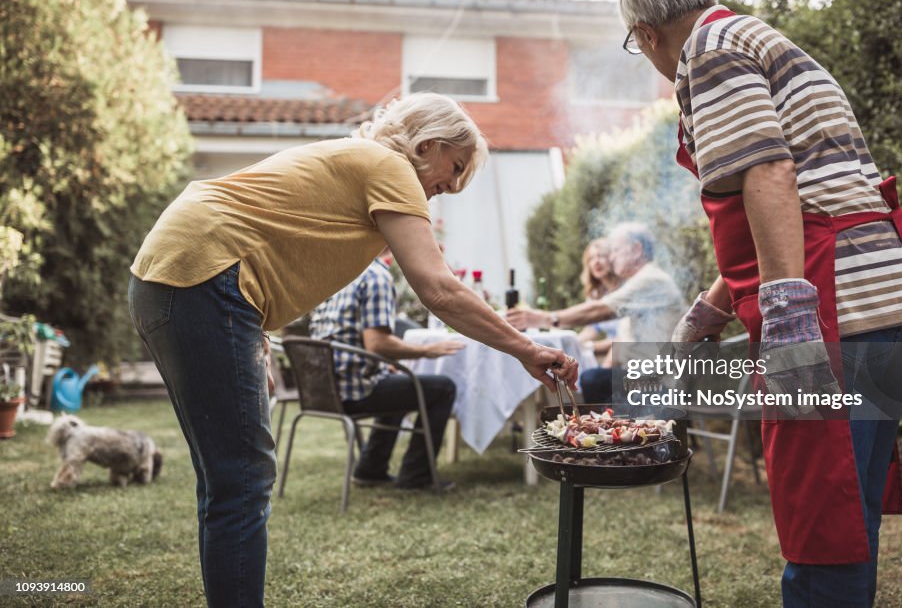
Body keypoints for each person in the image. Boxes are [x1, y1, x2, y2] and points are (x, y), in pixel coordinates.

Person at [127, 93, 579, 607]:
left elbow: (265, 225)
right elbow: (438, 288)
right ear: (427, 144)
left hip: (168, 278)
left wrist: (255, 336)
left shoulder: (354, 161)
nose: (447, 189)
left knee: (227, 477)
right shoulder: (390, 167)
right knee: (242, 480)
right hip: (200, 277)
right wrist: (524, 348)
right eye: (452, 169)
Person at [618, 0, 902, 607]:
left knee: (825, 524)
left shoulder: (707, 49)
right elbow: (802, 186)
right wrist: (712, 307)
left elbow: (770, 176)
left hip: (833, 311)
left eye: (636, 43)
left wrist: (790, 324)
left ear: (647, 33)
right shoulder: (759, 38)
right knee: (851, 517)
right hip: (879, 299)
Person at [308, 253, 462, 490]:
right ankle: (416, 475)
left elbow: (339, 338)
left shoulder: (337, 276)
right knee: (442, 388)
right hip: (355, 392)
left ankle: (370, 469)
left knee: (397, 383)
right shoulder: (375, 276)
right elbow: (377, 344)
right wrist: (427, 350)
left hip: (325, 391)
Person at [507, 222, 682, 404]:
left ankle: (609, 429)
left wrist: (544, 318)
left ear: (637, 250)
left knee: (591, 380)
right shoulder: (641, 281)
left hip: (662, 380)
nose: (611, 259)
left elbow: (599, 310)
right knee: (592, 379)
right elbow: (622, 341)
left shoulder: (650, 279)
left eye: (615, 251)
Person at [576, 237, 622, 360]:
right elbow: (591, 329)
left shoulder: (625, 290)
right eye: (591, 258)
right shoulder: (595, 294)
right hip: (611, 355)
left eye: (601, 256)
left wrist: (591, 346)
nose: (596, 262)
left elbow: (624, 339)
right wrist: (573, 344)